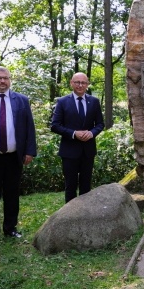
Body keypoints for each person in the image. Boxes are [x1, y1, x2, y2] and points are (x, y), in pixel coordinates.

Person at [0, 66, 36, 245]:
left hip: (14, 157)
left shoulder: (22, 100)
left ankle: (10, 228)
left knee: (12, 194)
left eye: (5, 78)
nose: (2, 81)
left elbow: (29, 128)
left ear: (10, 79)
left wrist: (30, 151)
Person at [51, 72, 104, 203]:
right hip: (69, 151)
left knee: (86, 186)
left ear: (87, 84)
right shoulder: (62, 102)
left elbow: (100, 124)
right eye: (77, 82)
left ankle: (85, 215)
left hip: (88, 151)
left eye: (83, 83)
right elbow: (55, 125)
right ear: (71, 83)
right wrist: (74, 133)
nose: (80, 85)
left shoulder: (94, 102)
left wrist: (91, 133)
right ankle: (69, 217)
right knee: (70, 186)